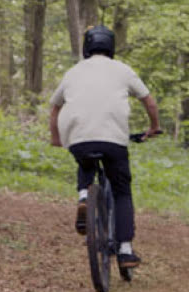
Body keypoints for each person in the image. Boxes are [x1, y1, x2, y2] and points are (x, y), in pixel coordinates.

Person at [50, 25, 160, 268]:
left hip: (78, 137)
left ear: (86, 46)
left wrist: (56, 138)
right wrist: (153, 127)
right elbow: (149, 103)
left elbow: (55, 108)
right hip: (113, 140)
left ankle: (83, 196)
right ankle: (125, 250)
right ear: (111, 46)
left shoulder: (73, 72)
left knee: (84, 158)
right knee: (121, 191)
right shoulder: (123, 70)